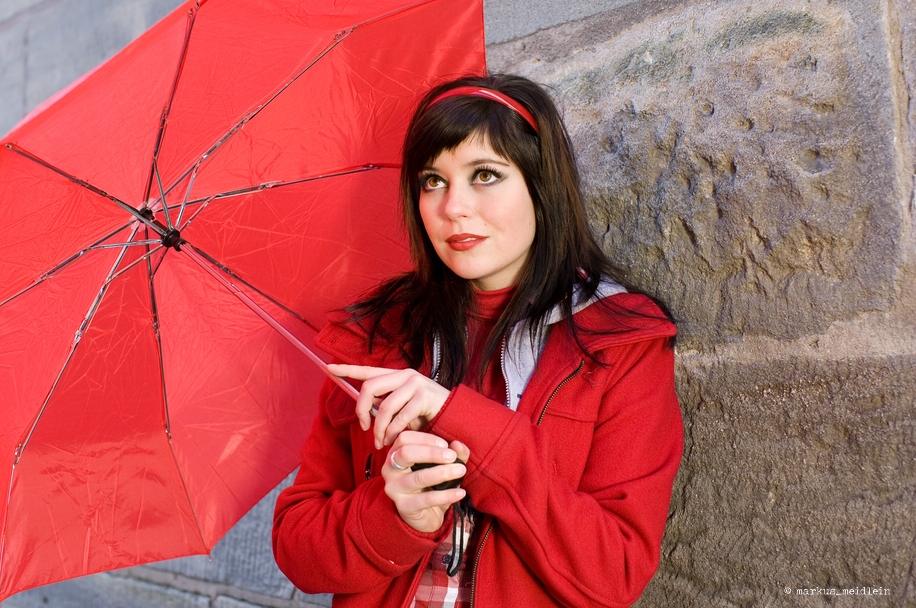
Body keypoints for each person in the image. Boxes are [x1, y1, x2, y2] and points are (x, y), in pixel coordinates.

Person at [272, 74, 683, 607]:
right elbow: (297, 547)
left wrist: (460, 419)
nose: (453, 208)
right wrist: (394, 513)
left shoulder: (619, 342)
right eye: (432, 181)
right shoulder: (377, 337)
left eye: (485, 174)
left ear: (541, 185)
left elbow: (615, 572)